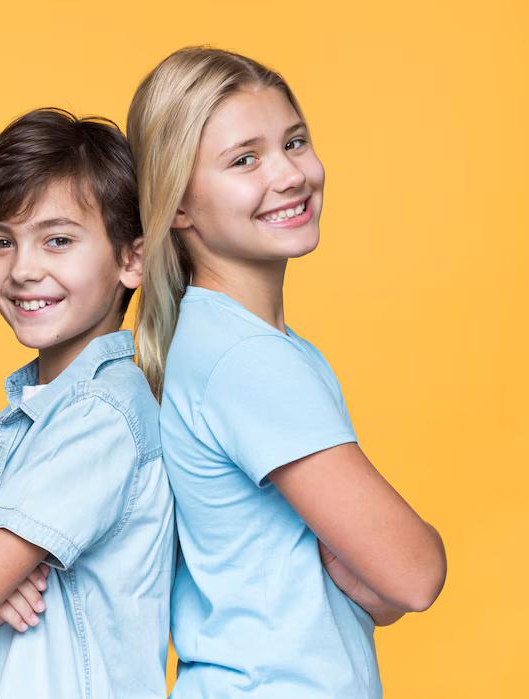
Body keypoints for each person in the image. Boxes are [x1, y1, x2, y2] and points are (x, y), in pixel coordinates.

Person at [127, 47, 447, 698]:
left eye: (294, 142)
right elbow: (414, 573)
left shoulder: (225, 341)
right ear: (178, 204)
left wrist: (374, 579)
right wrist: (403, 559)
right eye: (244, 159)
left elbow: (384, 589)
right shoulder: (246, 360)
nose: (289, 173)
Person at [0, 108, 175, 698]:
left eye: (58, 240)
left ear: (132, 260)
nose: (22, 269)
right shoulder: (31, 415)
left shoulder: (101, 414)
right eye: (1, 242)